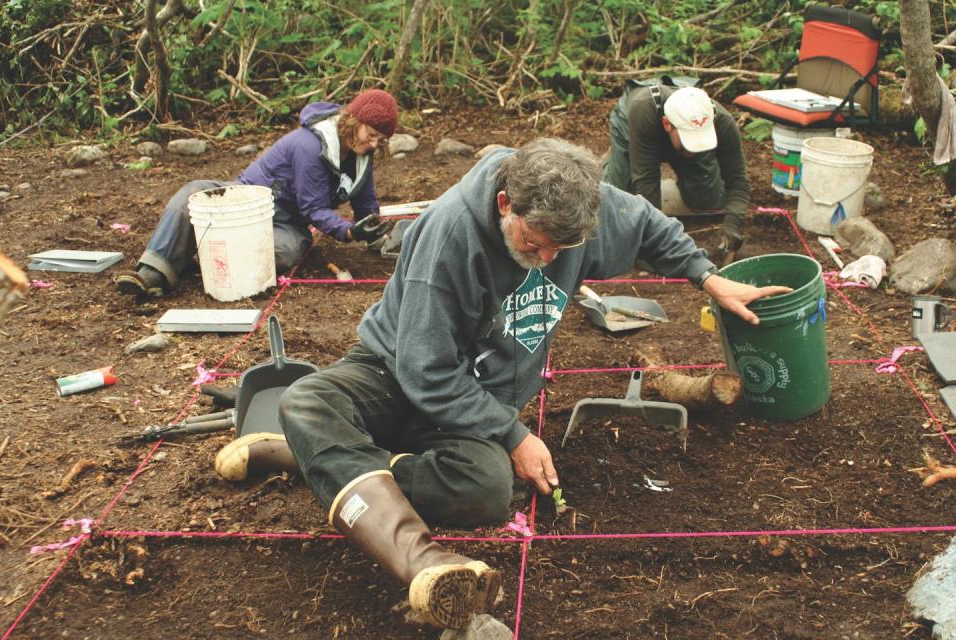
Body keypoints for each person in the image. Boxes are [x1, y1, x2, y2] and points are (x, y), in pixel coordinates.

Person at [213, 138, 790, 629]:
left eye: (559, 250)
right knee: (310, 400)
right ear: (505, 202)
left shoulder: (575, 211)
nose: (544, 259)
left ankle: (315, 460)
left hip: (477, 397)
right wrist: (512, 436)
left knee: (487, 492)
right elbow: (425, 371)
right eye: (533, 242)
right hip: (394, 371)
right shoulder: (449, 239)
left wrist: (709, 279)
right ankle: (420, 562)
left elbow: (646, 223)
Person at [114, 88, 398, 298]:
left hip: (287, 222)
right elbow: (315, 209)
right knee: (192, 197)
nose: (374, 144)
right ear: (353, 121)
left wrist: (372, 231)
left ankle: (205, 253)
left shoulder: (361, 155)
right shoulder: (310, 146)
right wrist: (348, 232)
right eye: (370, 134)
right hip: (247, 198)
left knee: (283, 253)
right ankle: (152, 274)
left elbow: (365, 203)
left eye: (381, 140)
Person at [603, 84, 751, 259]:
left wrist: (732, 225)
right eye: (691, 142)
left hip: (674, 139)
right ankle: (612, 167)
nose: (694, 151)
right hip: (635, 127)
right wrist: (654, 244)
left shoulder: (723, 122)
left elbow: (738, 181)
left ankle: (689, 176)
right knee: (620, 204)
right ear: (667, 124)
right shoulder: (642, 111)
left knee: (709, 200)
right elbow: (646, 182)